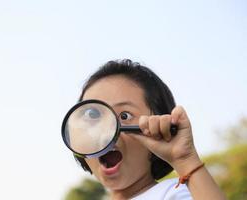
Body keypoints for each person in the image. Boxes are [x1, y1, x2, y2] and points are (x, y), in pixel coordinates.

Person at [67, 59, 226, 200]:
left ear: (159, 129)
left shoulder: (171, 194)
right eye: (92, 114)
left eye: (125, 116)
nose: (105, 132)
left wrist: (186, 160)